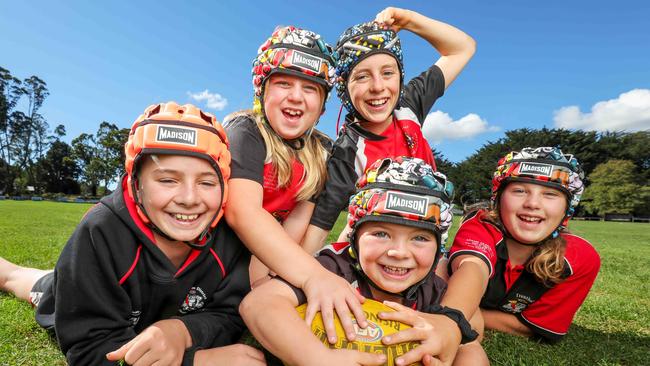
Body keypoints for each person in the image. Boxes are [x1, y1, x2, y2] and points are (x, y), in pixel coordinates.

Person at [0, 102, 264, 365]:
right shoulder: (100, 230)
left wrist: (180, 331)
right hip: (81, 292)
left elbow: (229, 313)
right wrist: (197, 361)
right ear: (135, 184)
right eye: (167, 180)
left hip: (131, 297)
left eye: (206, 182)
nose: (189, 198)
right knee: (23, 281)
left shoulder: (228, 237)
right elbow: (91, 348)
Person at [241, 157, 488, 366]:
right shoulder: (333, 269)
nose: (399, 252)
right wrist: (317, 358)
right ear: (355, 236)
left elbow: (474, 326)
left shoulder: (431, 287)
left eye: (420, 238)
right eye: (381, 234)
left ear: (438, 247)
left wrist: (450, 329)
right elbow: (259, 303)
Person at [223, 25, 368, 344]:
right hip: (224, 249)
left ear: (322, 104)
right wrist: (312, 276)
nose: (295, 96)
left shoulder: (318, 152)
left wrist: (277, 278)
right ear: (261, 89)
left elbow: (297, 221)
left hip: (270, 247)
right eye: (284, 83)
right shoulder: (245, 131)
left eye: (310, 88)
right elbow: (243, 214)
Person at [303, 7, 476, 252]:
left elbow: (463, 48)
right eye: (362, 77)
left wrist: (408, 20)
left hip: (427, 241)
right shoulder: (348, 150)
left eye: (387, 73)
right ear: (344, 87)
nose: (378, 87)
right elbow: (321, 225)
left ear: (400, 76)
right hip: (378, 253)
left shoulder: (409, 105)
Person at [448, 147, 601, 344]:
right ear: (498, 199)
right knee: (442, 268)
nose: (533, 204)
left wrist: (468, 313)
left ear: (567, 207)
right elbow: (472, 266)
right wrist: (451, 318)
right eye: (519, 191)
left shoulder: (580, 257)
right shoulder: (480, 225)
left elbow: (531, 328)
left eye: (550, 194)